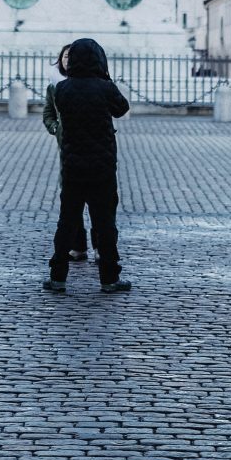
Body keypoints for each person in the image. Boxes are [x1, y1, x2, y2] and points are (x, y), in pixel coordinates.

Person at [43, 37, 131, 294]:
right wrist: (107, 80)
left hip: (72, 165)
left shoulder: (63, 90)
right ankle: (109, 278)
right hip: (102, 167)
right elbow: (121, 109)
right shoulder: (105, 87)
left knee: (66, 222)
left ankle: (58, 276)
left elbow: (61, 112)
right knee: (105, 224)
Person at [43, 45, 91, 262]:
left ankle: (99, 246)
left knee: (97, 201)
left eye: (71, 56)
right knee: (71, 200)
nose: (66, 60)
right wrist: (55, 128)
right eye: (63, 56)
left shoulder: (91, 84)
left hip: (91, 147)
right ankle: (78, 245)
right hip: (67, 149)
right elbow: (48, 113)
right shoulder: (54, 86)